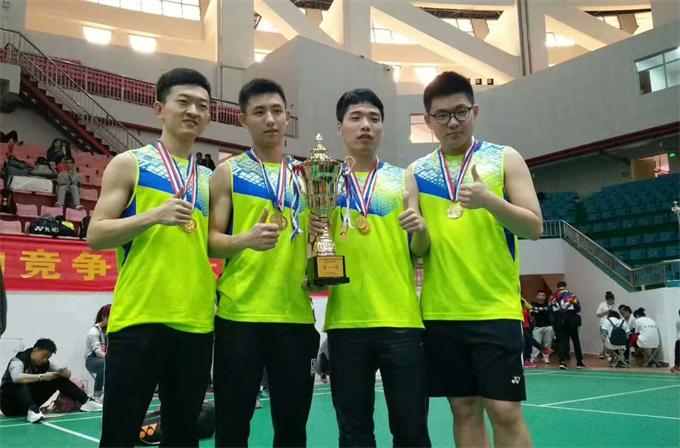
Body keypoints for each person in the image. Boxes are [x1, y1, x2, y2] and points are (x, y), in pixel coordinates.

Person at [410, 71, 542, 447]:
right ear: (429, 121)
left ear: (475, 111)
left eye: (460, 111)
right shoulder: (416, 173)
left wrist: (490, 201)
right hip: (441, 312)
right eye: (442, 115)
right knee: (464, 409)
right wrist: (419, 231)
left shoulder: (504, 158)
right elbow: (418, 250)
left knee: (505, 410)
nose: (452, 122)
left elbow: (533, 226)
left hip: (495, 309)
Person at [87, 68, 215, 447]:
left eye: (202, 105)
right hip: (139, 318)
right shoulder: (130, 163)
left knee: (183, 435)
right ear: (159, 108)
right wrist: (153, 216)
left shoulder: (210, 179)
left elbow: (216, 244)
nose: (193, 111)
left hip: (195, 322)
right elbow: (96, 235)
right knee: (120, 434)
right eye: (183, 102)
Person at [310, 89, 430, 447]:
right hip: (347, 324)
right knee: (354, 431)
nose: (366, 125)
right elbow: (313, 250)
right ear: (339, 127)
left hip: (401, 320)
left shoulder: (404, 179)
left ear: (382, 127)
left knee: (411, 430)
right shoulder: (324, 180)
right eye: (356, 117)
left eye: (374, 118)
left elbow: (418, 251)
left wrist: (421, 230)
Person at [208, 78, 319, 447]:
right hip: (239, 316)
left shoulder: (309, 177)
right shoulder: (228, 172)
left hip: (295, 318)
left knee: (292, 429)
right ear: (243, 119)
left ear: (287, 116)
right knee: (232, 426)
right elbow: (210, 243)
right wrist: (245, 240)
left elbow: (318, 241)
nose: (270, 119)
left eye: (276, 111)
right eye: (259, 112)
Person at [0, 338, 102, 423]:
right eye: (43, 356)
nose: (45, 360)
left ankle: (86, 401)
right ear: (35, 350)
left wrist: (64, 372)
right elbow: (16, 377)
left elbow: (65, 374)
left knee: (57, 378)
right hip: (9, 405)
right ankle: (32, 410)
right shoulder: (18, 361)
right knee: (20, 382)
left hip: (29, 402)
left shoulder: (45, 363)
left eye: (48, 357)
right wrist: (42, 376)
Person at [550, 282, 585, 370]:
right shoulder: (572, 296)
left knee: (561, 342)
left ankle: (562, 361)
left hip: (559, 322)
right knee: (576, 341)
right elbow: (578, 309)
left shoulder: (553, 298)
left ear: (557, 287)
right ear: (565, 286)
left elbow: (550, 311)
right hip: (571, 321)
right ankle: (579, 362)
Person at [85, 304, 110, 399]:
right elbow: (98, 352)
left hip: (105, 358)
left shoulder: (110, 330)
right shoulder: (94, 331)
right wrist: (112, 358)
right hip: (92, 360)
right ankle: (97, 394)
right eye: (110, 318)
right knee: (105, 364)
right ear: (103, 317)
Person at [530, 290, 554, 364]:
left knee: (548, 343)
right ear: (536, 296)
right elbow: (532, 314)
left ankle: (546, 358)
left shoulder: (548, 304)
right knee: (535, 343)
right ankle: (533, 358)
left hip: (548, 326)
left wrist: (539, 310)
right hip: (537, 327)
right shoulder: (533, 304)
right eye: (540, 295)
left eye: (543, 295)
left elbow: (549, 311)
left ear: (545, 297)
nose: (541, 296)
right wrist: (540, 310)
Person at [596, 291, 616, 359]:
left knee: (611, 339)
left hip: (613, 325)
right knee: (604, 339)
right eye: (608, 301)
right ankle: (604, 353)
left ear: (613, 299)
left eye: (611, 300)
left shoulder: (615, 305)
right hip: (603, 324)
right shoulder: (602, 304)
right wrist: (606, 311)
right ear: (606, 300)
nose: (610, 302)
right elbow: (598, 314)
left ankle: (607, 353)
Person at [672, 309, 680, 374]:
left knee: (678, 353)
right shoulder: (678, 322)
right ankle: (677, 366)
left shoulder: (678, 322)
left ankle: (677, 366)